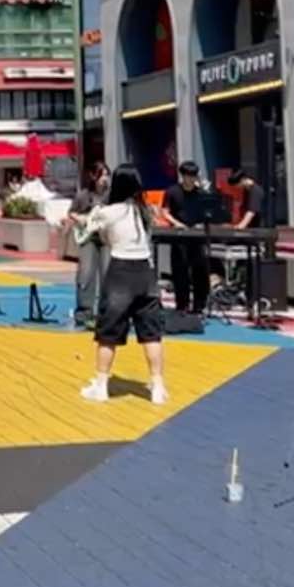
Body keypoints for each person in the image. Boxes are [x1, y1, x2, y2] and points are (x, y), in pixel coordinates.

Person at [80, 164, 167, 406]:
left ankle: (101, 385)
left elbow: (92, 231)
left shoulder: (109, 211)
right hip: (146, 272)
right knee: (152, 333)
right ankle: (157, 386)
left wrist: (97, 210)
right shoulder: (145, 211)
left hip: (120, 272)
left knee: (108, 333)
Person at [162, 160, 210, 314]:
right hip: (179, 236)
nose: (192, 179)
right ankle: (181, 305)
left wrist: (202, 223)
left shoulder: (201, 194)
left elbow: (209, 212)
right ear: (182, 176)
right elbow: (164, 211)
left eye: (194, 176)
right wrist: (176, 223)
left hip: (197, 237)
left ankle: (199, 305)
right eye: (188, 176)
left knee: (200, 271)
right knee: (180, 271)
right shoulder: (172, 191)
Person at [68, 161, 111, 327]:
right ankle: (84, 311)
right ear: (94, 176)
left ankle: (106, 311)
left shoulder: (112, 196)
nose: (105, 179)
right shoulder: (84, 195)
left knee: (108, 273)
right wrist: (81, 219)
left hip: (106, 237)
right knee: (86, 273)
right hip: (88, 238)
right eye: (102, 175)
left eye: (107, 175)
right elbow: (72, 212)